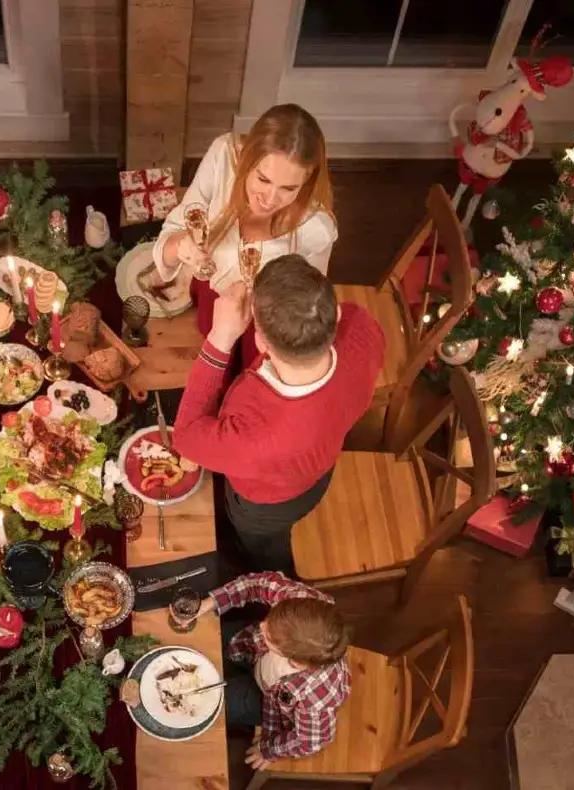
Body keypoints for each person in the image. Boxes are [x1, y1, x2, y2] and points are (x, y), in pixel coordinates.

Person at [171, 255, 384, 573]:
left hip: (265, 506)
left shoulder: (254, 436)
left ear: (259, 342)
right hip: (318, 470)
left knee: (263, 547)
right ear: (335, 314)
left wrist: (220, 339)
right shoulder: (362, 328)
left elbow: (186, 438)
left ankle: (267, 574)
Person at [150, 104, 336, 369]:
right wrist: (180, 246)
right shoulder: (223, 157)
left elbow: (309, 306)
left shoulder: (317, 229)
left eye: (289, 188)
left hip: (265, 329)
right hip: (212, 301)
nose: (270, 199)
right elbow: (176, 228)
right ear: (246, 158)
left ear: (307, 182)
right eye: (262, 179)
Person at [180, 571, 350, 768]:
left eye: (269, 637)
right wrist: (210, 603)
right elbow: (259, 583)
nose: (262, 625)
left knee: (205, 704)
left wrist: (268, 751)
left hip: (265, 700)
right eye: (270, 619)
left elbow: (309, 741)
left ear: (294, 662)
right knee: (196, 647)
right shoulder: (302, 604)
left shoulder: (317, 699)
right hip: (248, 647)